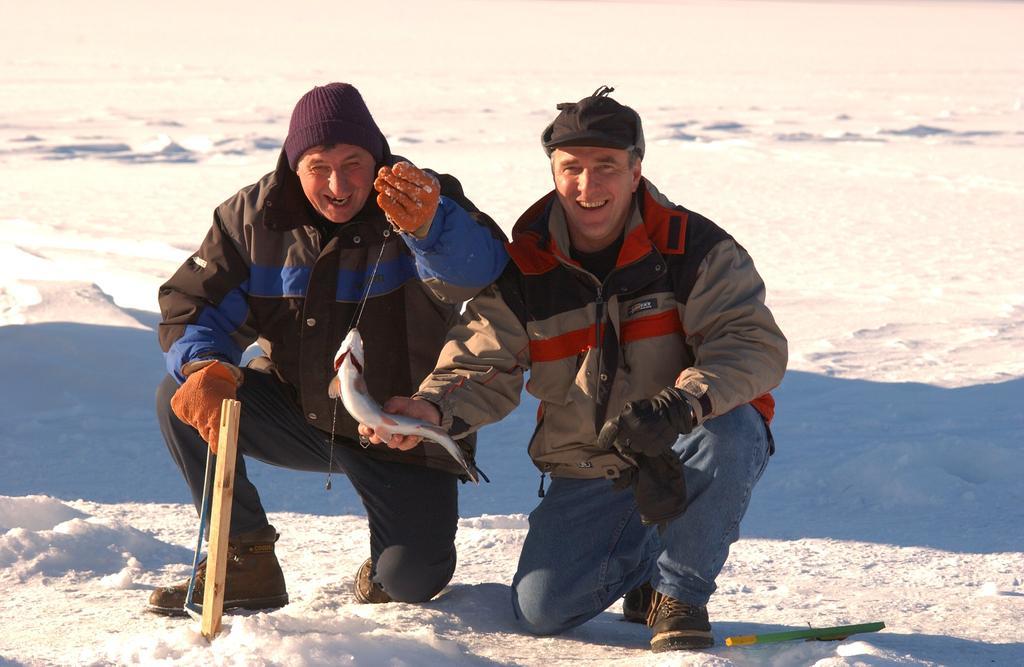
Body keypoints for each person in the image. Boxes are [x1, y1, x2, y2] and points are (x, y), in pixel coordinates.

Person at [361, 86, 787, 652]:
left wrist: (682, 404)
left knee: (732, 431)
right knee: (541, 611)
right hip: (592, 464)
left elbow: (752, 345)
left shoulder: (696, 250)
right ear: (553, 172)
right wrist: (433, 407)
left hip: (682, 441)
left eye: (606, 167)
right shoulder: (528, 263)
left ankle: (679, 594)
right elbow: (482, 359)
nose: (588, 186)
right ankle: (644, 560)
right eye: (572, 169)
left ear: (636, 171)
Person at [147, 82, 508, 616]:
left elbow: (482, 272)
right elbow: (192, 306)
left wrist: (430, 230)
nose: (338, 185)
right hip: (303, 413)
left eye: (354, 163)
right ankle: (245, 558)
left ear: (379, 161)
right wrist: (203, 365)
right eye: (319, 166)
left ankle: (389, 563)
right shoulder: (252, 217)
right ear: (296, 166)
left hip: (403, 429)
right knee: (184, 396)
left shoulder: (424, 199)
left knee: (410, 580)